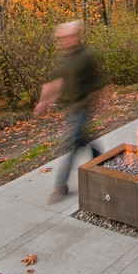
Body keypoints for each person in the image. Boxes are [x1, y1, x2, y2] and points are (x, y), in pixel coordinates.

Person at [34, 19, 104, 203]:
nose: (65, 41)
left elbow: (100, 81)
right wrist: (43, 102)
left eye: (69, 37)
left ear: (77, 36)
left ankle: (60, 186)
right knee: (83, 140)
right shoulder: (65, 58)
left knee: (72, 144)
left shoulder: (86, 56)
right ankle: (102, 160)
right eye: (62, 38)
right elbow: (55, 81)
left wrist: (106, 100)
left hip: (84, 107)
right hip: (72, 109)